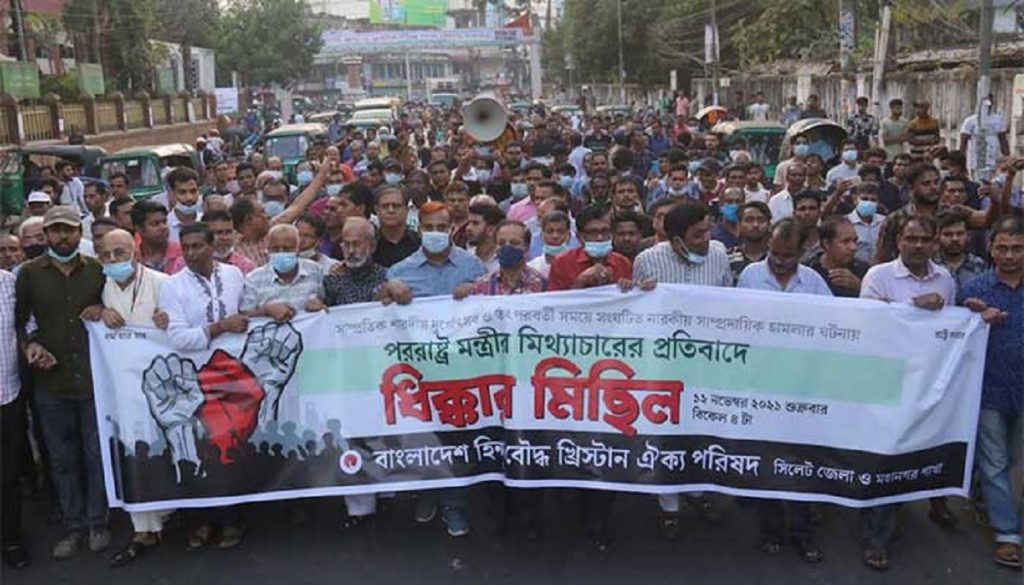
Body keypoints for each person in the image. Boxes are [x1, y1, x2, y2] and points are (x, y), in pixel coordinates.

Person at [378, 201, 485, 537]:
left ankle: (455, 505)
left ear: (452, 228)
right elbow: (380, 314)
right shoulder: (400, 270)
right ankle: (428, 493)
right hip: (419, 370)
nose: (435, 233)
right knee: (424, 436)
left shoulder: (472, 266)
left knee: (457, 438)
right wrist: (387, 290)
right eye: (429, 227)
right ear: (419, 228)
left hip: (462, 369)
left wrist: (477, 291)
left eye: (442, 227)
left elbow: (491, 309)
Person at [14, 206, 109, 559]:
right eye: (55, 230)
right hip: (51, 384)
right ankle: (74, 525)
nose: (62, 236)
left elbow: (112, 310)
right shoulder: (29, 274)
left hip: (93, 379)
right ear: (46, 234)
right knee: (62, 458)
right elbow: (20, 321)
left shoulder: (96, 270)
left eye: (68, 230)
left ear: (78, 232)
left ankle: (98, 521)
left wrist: (102, 309)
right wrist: (32, 345)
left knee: (95, 455)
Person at [736, 218, 830, 564]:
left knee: (800, 463)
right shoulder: (749, 277)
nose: (778, 261)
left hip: (802, 387)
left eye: (787, 256)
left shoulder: (814, 282)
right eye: (773, 253)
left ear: (802, 252)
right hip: (761, 385)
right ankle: (771, 529)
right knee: (767, 461)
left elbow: (835, 327)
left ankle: (802, 533)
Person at [158, 222, 249, 550]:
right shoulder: (173, 286)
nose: (192, 254)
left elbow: (245, 318)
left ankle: (232, 519)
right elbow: (179, 337)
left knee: (229, 448)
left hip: (232, 373)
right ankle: (203, 520)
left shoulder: (234, 275)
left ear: (212, 246)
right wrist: (219, 327)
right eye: (186, 248)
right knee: (199, 449)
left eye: (198, 246)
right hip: (195, 378)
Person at [85, 229, 171, 567]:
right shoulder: (103, 288)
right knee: (135, 450)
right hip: (125, 390)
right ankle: (143, 529)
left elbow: (184, 326)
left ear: (134, 250)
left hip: (163, 386)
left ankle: (173, 515)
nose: (113, 260)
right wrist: (98, 311)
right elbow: (90, 317)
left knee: (168, 449)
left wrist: (169, 320)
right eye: (106, 255)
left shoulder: (163, 283)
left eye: (119, 253)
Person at [957, 217, 1024, 569]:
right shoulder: (974, 289)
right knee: (996, 461)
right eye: (1003, 248)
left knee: (1011, 459)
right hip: (988, 390)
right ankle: (1007, 535)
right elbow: (952, 337)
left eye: (1017, 248)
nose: (1010, 255)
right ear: (990, 248)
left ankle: (982, 489)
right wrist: (973, 318)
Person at [319, 216, 386, 525]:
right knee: (352, 435)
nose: (350, 250)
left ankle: (388, 491)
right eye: (345, 244)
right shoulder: (331, 280)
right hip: (344, 370)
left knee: (380, 433)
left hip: (380, 369)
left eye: (357, 243)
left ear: (371, 245)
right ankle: (360, 506)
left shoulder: (387, 277)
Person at [240, 224, 325, 344]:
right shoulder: (254, 279)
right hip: (271, 344)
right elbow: (244, 314)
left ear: (297, 249)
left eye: (287, 249)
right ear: (268, 250)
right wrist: (266, 311)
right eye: (275, 249)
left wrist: (319, 304)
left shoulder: (315, 271)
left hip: (311, 341)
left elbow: (327, 303)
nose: (281, 253)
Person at [1, 267, 27, 569]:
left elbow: (25, 325)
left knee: (8, 476)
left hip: (7, 394)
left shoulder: (8, 283)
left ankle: (11, 538)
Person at [547, 205, 633, 291]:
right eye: (593, 232)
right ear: (580, 237)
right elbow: (555, 298)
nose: (600, 238)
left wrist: (627, 286)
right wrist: (580, 282)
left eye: (605, 231)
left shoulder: (623, 263)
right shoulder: (561, 263)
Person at [803, 216, 867, 297]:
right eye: (846, 241)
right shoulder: (807, 271)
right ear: (826, 243)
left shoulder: (864, 271)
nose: (853, 247)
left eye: (855, 241)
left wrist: (860, 287)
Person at [934, 210, 988, 289]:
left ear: (968, 236)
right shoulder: (930, 265)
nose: (954, 239)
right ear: (938, 236)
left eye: (960, 234)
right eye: (948, 234)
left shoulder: (979, 265)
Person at [959, 95, 1009, 177]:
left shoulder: (998, 119)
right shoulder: (970, 121)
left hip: (993, 160)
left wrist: (1007, 157)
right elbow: (963, 143)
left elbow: (1003, 140)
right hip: (975, 161)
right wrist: (961, 162)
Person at [132, 200, 184, 274]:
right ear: (139, 229)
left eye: (164, 222)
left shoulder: (182, 253)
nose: (163, 227)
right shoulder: (132, 258)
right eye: (155, 224)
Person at [374, 187, 421, 268]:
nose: (391, 210)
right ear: (377, 210)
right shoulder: (370, 244)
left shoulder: (419, 243)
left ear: (406, 210)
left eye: (396, 206)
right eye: (385, 206)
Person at [727, 201, 772, 279]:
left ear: (769, 225)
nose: (755, 225)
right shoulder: (728, 258)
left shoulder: (777, 258)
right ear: (739, 225)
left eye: (761, 220)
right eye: (749, 220)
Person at [204, 208, 256, 275]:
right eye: (218, 233)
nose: (225, 238)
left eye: (228, 232)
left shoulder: (245, 266)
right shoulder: (196, 264)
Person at [846, 183, 885, 264]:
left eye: (873, 200)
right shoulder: (846, 222)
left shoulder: (884, 221)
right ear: (855, 200)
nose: (869, 203)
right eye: (864, 199)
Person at [527, 210, 572, 278]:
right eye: (549, 231)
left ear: (568, 236)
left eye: (560, 232)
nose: (555, 236)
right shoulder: (532, 268)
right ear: (542, 235)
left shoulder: (577, 266)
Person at [465, 202, 505, 273]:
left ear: (491, 230)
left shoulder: (503, 261)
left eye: (475, 223)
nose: (468, 228)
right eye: (468, 223)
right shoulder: (466, 256)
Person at [230, 198, 270, 267]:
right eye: (262, 212)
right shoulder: (232, 247)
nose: (268, 216)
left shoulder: (271, 239)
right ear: (248, 220)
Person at [166, 167, 202, 242]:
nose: (189, 198)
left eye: (193, 191)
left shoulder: (206, 222)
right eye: (182, 192)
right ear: (171, 194)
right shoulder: (165, 227)